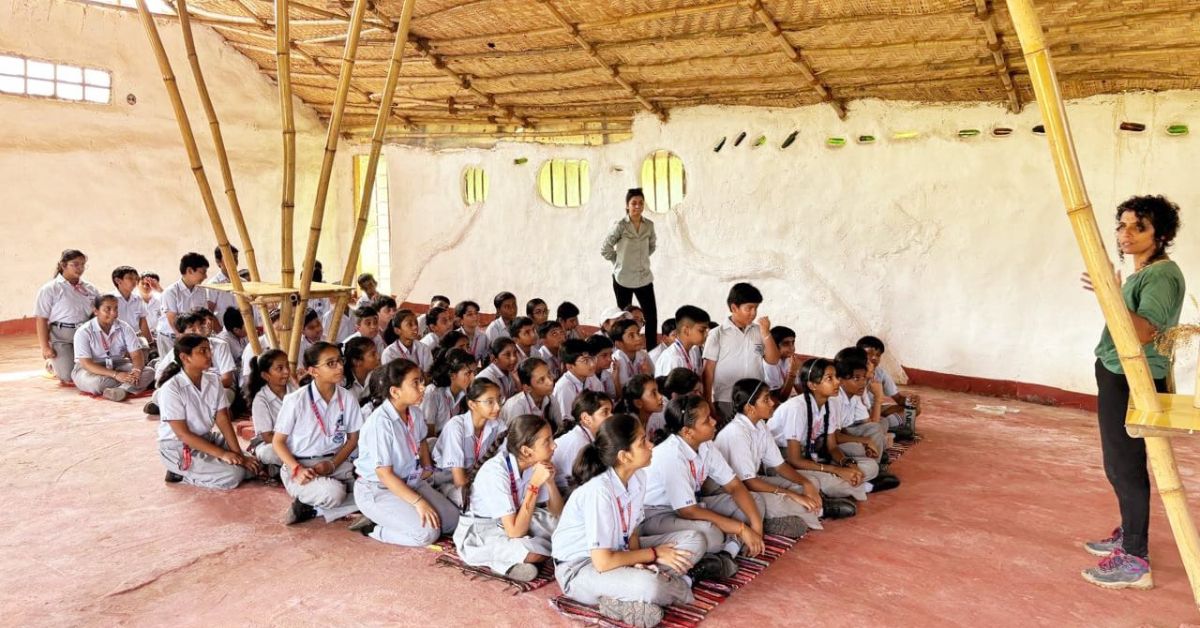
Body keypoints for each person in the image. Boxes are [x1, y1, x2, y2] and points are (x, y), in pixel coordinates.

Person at [1081, 195, 1185, 589]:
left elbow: (1143, 333)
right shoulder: (1146, 272)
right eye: (1121, 225)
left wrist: (1110, 292)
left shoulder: (1161, 275)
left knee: (1125, 466)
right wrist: (1110, 292)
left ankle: (1135, 559)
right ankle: (1130, 533)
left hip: (1133, 379)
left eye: (1137, 227)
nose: (1125, 234)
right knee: (1118, 463)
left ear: (1161, 235)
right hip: (1117, 372)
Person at [551, 414, 705, 628]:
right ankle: (682, 584)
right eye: (643, 441)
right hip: (580, 569)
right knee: (651, 585)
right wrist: (653, 554)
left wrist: (636, 562)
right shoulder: (599, 491)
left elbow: (632, 530)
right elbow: (603, 562)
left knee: (695, 539)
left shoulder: (638, 476)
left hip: (618, 552)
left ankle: (626, 596)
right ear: (624, 456)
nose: (651, 445)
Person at [642, 394, 766, 580]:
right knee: (712, 535)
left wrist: (756, 526)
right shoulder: (671, 455)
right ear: (687, 432)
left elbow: (734, 486)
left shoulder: (705, 445)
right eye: (707, 420)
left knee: (755, 501)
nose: (715, 421)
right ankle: (723, 551)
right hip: (657, 514)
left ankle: (725, 555)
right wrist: (741, 528)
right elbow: (688, 512)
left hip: (692, 504)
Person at [352, 358, 459, 546]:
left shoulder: (414, 413)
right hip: (379, 489)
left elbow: (421, 441)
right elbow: (384, 475)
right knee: (427, 533)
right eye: (415, 383)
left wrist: (426, 466)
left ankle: (398, 516)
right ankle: (373, 528)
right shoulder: (380, 423)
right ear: (395, 391)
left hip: (411, 481)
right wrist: (419, 502)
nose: (423, 387)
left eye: (422, 381)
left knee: (452, 521)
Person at [453, 414, 563, 582]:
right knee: (534, 552)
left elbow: (558, 512)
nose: (554, 445)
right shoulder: (496, 472)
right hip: (483, 531)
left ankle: (513, 561)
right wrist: (533, 486)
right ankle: (504, 564)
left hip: (516, 520)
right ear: (526, 451)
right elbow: (515, 532)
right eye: (547, 441)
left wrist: (550, 483)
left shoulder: (531, 463)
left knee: (564, 528)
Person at [716, 379, 824, 533]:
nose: (772, 403)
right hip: (738, 490)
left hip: (754, 481)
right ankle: (797, 517)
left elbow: (779, 465)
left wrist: (806, 483)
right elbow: (748, 483)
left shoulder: (760, 425)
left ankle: (805, 514)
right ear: (750, 408)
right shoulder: (736, 432)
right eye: (766, 399)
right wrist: (792, 495)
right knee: (795, 503)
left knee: (811, 482)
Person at [274, 342, 363, 525]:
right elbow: (278, 442)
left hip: (336, 462)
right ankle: (321, 503)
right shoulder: (295, 400)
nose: (339, 367)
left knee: (375, 487)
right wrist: (297, 469)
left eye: (340, 361)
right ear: (313, 371)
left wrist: (332, 464)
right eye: (331, 363)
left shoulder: (347, 397)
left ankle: (314, 509)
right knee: (334, 493)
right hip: (302, 466)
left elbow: (353, 439)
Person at [156, 333, 260, 488]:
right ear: (185, 357)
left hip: (206, 438)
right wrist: (223, 454)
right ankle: (178, 474)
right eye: (202, 351)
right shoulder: (171, 388)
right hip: (179, 446)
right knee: (234, 475)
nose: (209, 354)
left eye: (209, 350)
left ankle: (214, 466)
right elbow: (182, 434)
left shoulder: (212, 380)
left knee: (252, 467)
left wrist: (238, 454)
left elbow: (223, 420)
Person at [767, 358, 869, 515]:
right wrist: (836, 469)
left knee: (861, 463)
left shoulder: (832, 402)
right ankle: (837, 496)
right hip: (783, 457)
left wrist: (848, 464)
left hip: (811, 451)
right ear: (812, 385)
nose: (837, 382)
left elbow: (832, 446)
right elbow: (794, 459)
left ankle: (853, 485)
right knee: (827, 481)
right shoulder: (796, 408)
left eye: (836, 376)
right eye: (830, 378)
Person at [703, 283, 781, 421]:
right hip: (726, 399)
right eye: (749, 308)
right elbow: (708, 371)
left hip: (755, 399)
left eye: (756, 308)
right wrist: (708, 401)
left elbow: (773, 360)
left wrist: (766, 333)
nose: (753, 313)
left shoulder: (759, 331)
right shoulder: (717, 334)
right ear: (734, 308)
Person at [431, 378, 506, 508]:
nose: (498, 407)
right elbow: (459, 481)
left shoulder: (498, 425)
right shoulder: (456, 427)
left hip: (476, 478)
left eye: (499, 400)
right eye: (490, 402)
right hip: (448, 481)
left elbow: (503, 461)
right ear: (472, 405)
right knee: (475, 501)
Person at [601, 188, 659, 351]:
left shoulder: (649, 225)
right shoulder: (620, 225)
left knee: (651, 317)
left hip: (644, 278)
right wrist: (619, 262)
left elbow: (651, 246)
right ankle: (623, 350)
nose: (638, 206)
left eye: (641, 203)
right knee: (624, 320)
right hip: (623, 279)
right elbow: (605, 248)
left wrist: (639, 261)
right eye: (634, 203)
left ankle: (652, 351)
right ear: (627, 206)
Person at [71, 294, 154, 400]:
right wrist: (116, 375)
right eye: (108, 309)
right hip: (90, 369)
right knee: (98, 384)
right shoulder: (84, 331)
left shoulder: (124, 327)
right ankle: (130, 386)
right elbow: (87, 364)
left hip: (119, 364)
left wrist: (136, 371)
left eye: (116, 308)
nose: (114, 313)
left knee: (149, 372)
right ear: (96, 311)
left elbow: (136, 354)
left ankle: (121, 391)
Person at [36, 249, 100, 383]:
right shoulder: (50, 289)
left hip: (86, 333)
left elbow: (99, 312)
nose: (80, 268)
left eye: (83, 264)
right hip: (62, 336)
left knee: (97, 367)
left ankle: (69, 362)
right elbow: (41, 319)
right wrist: (45, 348)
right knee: (68, 377)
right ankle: (53, 364)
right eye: (75, 264)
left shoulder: (90, 288)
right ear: (63, 265)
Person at [856, 335, 919, 437]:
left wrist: (911, 400)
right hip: (857, 412)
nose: (874, 358)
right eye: (869, 354)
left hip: (874, 409)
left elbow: (898, 398)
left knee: (913, 409)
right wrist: (878, 397)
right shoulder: (852, 375)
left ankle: (885, 426)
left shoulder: (880, 373)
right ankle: (883, 428)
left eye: (878, 355)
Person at [551, 390, 613, 492]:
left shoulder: (587, 436)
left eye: (611, 412)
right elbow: (582, 484)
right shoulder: (578, 442)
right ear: (586, 418)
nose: (611, 416)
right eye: (605, 412)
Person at [157, 252, 215, 355]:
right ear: (189, 270)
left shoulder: (201, 291)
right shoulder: (171, 292)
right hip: (171, 337)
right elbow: (172, 320)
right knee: (172, 367)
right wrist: (183, 340)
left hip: (191, 337)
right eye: (203, 272)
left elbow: (203, 314)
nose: (206, 276)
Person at [245, 348, 293, 469]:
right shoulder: (261, 400)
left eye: (288, 366)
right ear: (266, 375)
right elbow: (267, 437)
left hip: (298, 440)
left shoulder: (295, 390)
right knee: (269, 453)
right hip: (273, 443)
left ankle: (287, 466)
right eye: (280, 368)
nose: (287, 371)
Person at [421, 347, 476, 437]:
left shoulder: (465, 393)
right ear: (452, 375)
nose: (473, 378)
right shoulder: (432, 393)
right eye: (468, 373)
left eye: (474, 372)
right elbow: (428, 435)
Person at [550, 339, 604, 428]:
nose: (592, 364)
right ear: (570, 366)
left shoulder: (592, 378)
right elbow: (567, 423)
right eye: (585, 361)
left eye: (592, 358)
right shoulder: (564, 387)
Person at [653, 306, 708, 377]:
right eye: (701, 330)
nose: (706, 334)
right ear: (686, 331)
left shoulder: (692, 351)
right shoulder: (672, 358)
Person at [500, 357, 553, 426]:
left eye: (549, 375)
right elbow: (516, 436)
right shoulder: (516, 407)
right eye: (541, 380)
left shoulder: (550, 397)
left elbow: (560, 427)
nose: (550, 382)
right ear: (527, 388)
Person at [610, 319, 652, 401]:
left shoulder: (643, 355)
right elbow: (621, 395)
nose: (638, 338)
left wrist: (647, 374)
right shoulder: (617, 360)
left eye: (638, 333)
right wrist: (646, 376)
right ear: (619, 344)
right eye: (631, 336)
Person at [110, 266, 153, 347]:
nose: (134, 281)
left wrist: (150, 343)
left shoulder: (138, 299)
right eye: (130, 278)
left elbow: (143, 322)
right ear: (118, 280)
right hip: (115, 341)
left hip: (135, 340)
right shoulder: (109, 299)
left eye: (136, 279)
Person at [381, 309, 433, 373]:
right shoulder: (389, 353)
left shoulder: (424, 348)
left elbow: (429, 374)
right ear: (397, 331)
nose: (415, 327)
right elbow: (391, 379)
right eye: (410, 324)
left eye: (416, 323)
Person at [343, 336, 381, 403]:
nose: (378, 357)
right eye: (373, 354)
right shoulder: (342, 385)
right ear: (356, 362)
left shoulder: (376, 376)